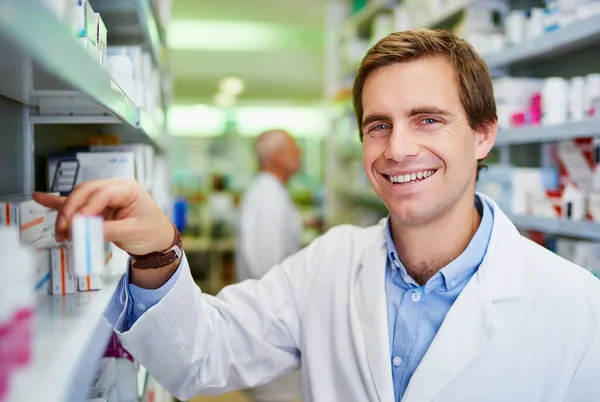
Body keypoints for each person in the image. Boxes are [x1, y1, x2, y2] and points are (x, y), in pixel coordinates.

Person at [34, 29, 600, 402]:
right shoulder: (330, 264)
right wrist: (157, 252)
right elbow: (200, 358)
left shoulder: (576, 306)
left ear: (483, 135)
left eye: (427, 119)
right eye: (378, 125)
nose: (398, 148)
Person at [236, 129, 303, 401]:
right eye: (293, 148)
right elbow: (267, 264)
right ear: (277, 157)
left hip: (273, 322)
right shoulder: (268, 196)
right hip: (272, 323)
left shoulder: (272, 192)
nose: (300, 154)